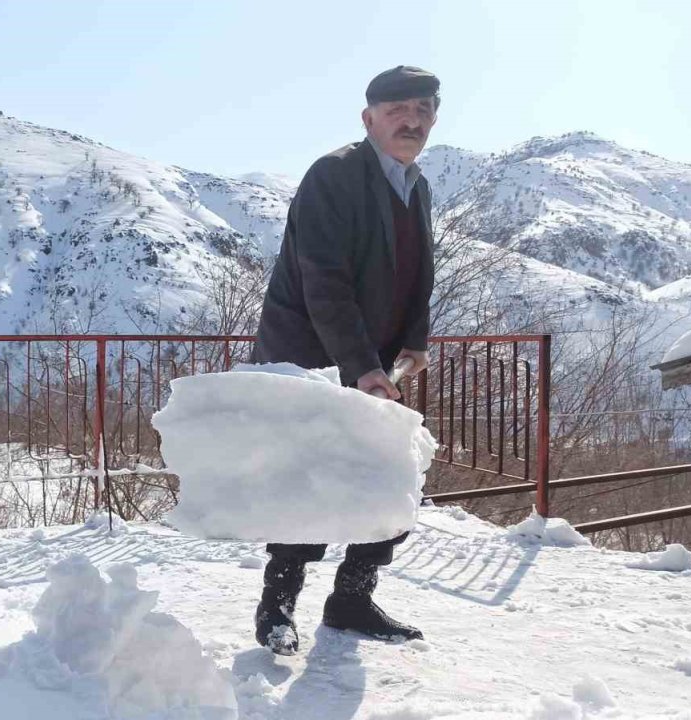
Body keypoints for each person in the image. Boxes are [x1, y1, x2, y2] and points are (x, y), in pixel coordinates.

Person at [247, 65, 439, 655]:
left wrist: (413, 340)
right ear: (369, 118)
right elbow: (322, 282)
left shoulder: (416, 184)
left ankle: (352, 599)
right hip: (311, 361)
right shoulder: (333, 175)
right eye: (397, 110)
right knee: (310, 481)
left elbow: (417, 277)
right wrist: (359, 365)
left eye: (423, 109)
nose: (412, 120)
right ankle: (276, 607)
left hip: (377, 361)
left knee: (386, 478)